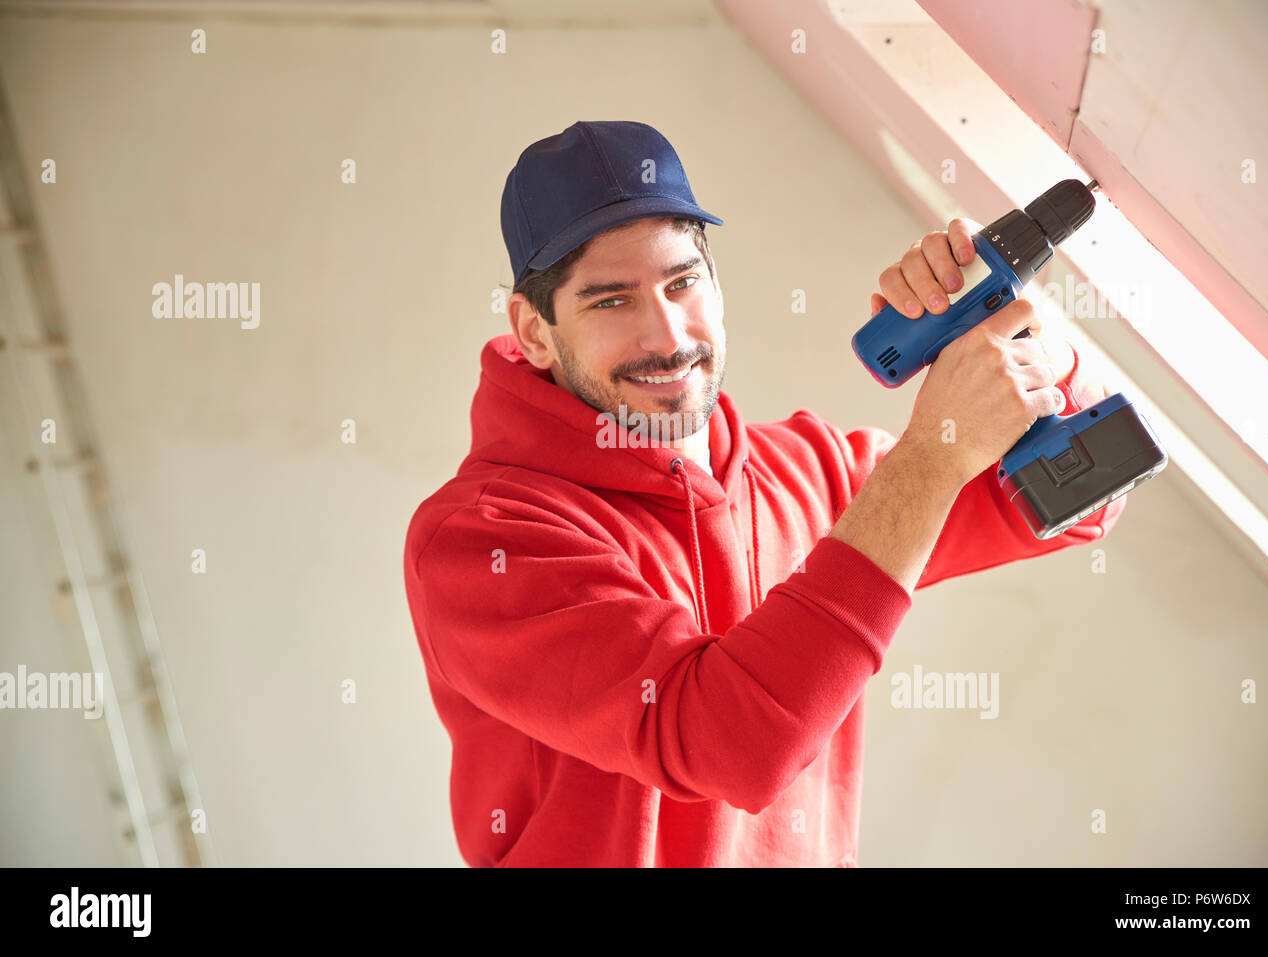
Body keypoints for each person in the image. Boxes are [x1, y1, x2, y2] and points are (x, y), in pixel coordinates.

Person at [403, 120, 1124, 867]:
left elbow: (1087, 497)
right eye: (611, 301)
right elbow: (732, 746)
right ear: (535, 331)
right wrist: (931, 459)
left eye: (682, 282)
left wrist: (1028, 338)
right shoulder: (481, 539)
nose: (667, 335)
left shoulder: (807, 470)